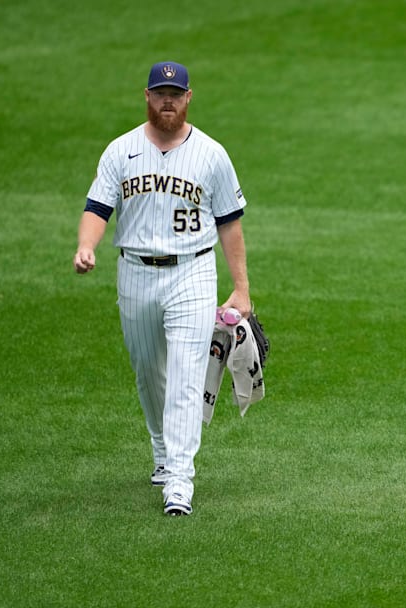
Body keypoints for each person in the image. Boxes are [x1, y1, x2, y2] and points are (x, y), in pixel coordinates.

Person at [73, 61, 251, 516]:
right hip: (134, 271)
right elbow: (98, 206)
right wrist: (86, 246)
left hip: (192, 272)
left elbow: (230, 223)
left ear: (188, 98)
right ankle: (160, 448)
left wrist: (241, 288)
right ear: (147, 97)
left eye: (175, 93)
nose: (167, 101)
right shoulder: (121, 151)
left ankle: (179, 479)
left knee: (187, 377)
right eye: (159, 93)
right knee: (149, 373)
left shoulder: (211, 154)